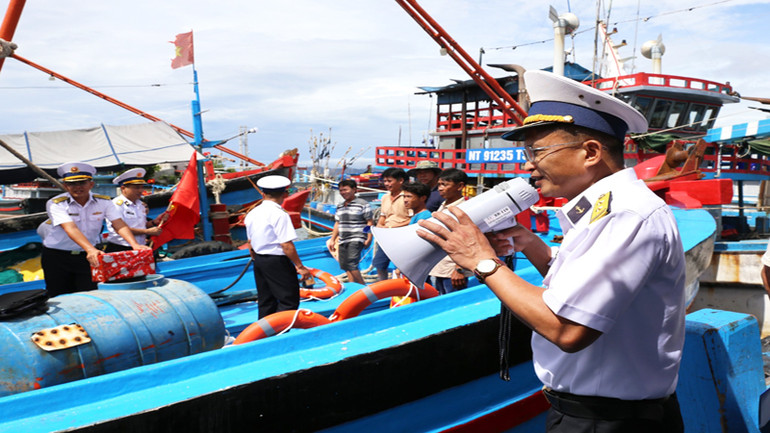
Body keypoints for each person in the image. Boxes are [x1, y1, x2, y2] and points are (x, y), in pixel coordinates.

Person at [417, 70, 686, 432]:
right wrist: (531, 245)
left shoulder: (624, 214)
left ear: (590, 152)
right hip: (600, 415)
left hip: (607, 421)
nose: (529, 164)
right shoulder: (608, 209)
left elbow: (568, 328)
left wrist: (482, 260)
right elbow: (578, 291)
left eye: (537, 150)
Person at [42, 162, 151, 296]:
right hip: (57, 256)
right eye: (72, 184)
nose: (77, 187)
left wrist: (134, 245)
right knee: (57, 294)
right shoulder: (56, 203)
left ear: (91, 184)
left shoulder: (104, 202)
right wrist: (91, 249)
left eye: (82, 183)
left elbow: (119, 224)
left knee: (90, 294)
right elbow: (70, 228)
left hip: (88, 257)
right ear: (65, 186)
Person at [245, 175, 312, 319]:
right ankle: (280, 332)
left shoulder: (252, 213)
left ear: (263, 194)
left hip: (260, 260)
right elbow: (286, 245)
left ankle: (264, 334)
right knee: (289, 299)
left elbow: (250, 242)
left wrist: (257, 259)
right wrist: (300, 266)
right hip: (276, 261)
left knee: (266, 300)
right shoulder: (279, 214)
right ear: (285, 194)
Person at [428, 168, 471, 294]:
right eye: (439, 184)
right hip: (441, 266)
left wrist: (459, 269)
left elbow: (467, 239)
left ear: (460, 186)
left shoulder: (462, 210)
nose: (440, 188)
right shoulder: (444, 206)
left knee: (454, 300)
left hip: (453, 268)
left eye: (445, 185)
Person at [104, 168, 162, 252]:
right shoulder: (116, 205)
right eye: (136, 187)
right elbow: (120, 228)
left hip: (140, 246)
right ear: (123, 188)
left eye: (141, 187)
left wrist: (154, 222)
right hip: (121, 247)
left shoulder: (140, 204)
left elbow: (140, 225)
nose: (140, 190)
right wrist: (147, 232)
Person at [330, 179, 373, 285]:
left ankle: (363, 288)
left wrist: (369, 238)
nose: (343, 192)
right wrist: (332, 239)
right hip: (343, 239)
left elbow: (369, 222)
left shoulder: (363, 204)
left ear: (354, 189)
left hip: (357, 237)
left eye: (345, 189)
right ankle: (353, 287)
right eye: (341, 190)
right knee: (345, 265)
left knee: (352, 263)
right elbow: (337, 223)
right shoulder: (340, 206)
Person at [373, 167, 410, 281]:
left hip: (402, 236)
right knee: (379, 264)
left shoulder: (408, 197)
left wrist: (392, 227)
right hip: (385, 236)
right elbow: (383, 215)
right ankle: (384, 286)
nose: (386, 184)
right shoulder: (385, 197)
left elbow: (412, 219)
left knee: (402, 266)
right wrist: (379, 227)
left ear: (400, 181)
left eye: (389, 181)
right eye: (385, 181)